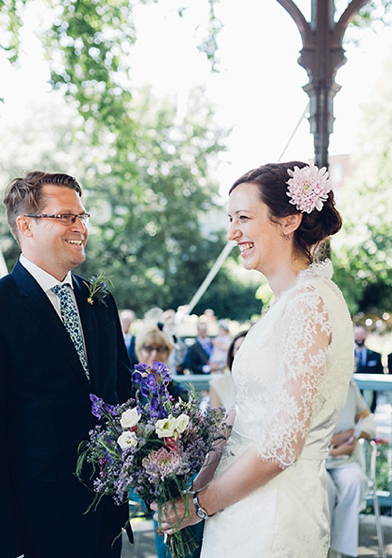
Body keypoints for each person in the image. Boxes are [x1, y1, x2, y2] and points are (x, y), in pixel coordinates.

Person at [154, 161, 353, 557]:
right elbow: (246, 411)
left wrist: (197, 506)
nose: (233, 233)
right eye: (231, 219)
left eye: (243, 217)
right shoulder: (286, 303)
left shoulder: (308, 304)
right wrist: (195, 480)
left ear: (289, 220)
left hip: (273, 514)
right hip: (243, 506)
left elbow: (281, 445)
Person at [0, 170, 134, 558]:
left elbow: (123, 396)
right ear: (25, 225)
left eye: (82, 217)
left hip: (105, 521)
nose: (80, 227)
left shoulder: (99, 302)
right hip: (33, 529)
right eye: (66, 216)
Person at [134, 328, 202, 558]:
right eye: (148, 348)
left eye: (160, 348)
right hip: (149, 480)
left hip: (179, 476)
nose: (154, 353)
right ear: (139, 351)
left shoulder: (179, 392)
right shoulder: (131, 393)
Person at [326, 380, 376, 558]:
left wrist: (351, 435)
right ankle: (324, 549)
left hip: (345, 459)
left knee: (356, 481)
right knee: (326, 489)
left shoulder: (349, 385)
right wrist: (331, 444)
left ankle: (338, 550)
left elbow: (368, 420)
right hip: (316, 461)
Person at [208, 331, 247, 411]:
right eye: (239, 349)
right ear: (232, 353)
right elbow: (215, 420)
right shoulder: (218, 384)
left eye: (247, 348)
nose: (243, 353)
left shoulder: (266, 383)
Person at [353, 324, 383, 413]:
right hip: (353, 397)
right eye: (356, 334)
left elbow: (380, 375)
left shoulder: (376, 356)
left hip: (370, 398)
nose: (359, 337)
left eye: (361, 334)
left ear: (366, 335)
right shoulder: (347, 357)